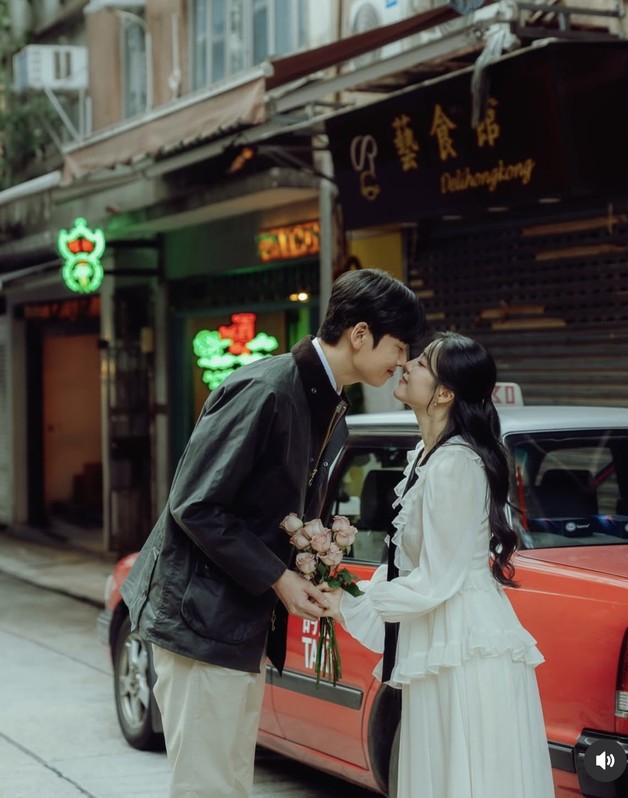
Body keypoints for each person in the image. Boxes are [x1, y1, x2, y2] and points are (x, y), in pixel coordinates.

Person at [120, 268, 426, 798]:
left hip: (235, 621)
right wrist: (280, 578)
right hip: (200, 620)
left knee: (229, 781)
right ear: (359, 334)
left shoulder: (325, 401)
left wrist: (309, 567)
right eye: (398, 346)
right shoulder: (265, 389)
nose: (401, 361)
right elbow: (195, 504)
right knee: (207, 785)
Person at [323, 331, 555, 798]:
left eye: (422, 362)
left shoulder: (454, 465)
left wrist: (352, 602)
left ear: (445, 392)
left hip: (460, 642)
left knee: (460, 772)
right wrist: (348, 595)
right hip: (438, 634)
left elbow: (436, 580)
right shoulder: (426, 458)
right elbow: (408, 563)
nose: (406, 364)